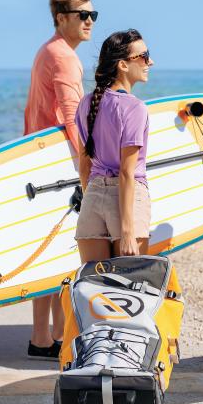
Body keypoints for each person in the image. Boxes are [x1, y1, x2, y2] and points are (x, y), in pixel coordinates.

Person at [24, 0, 96, 358]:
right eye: (82, 15)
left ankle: (46, 335)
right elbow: (72, 118)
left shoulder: (48, 51)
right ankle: (46, 336)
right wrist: (88, 166)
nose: (89, 22)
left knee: (51, 249)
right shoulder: (64, 57)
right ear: (61, 18)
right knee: (62, 251)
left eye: (92, 16)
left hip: (40, 159)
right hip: (56, 163)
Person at [74, 29, 154, 262]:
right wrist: (128, 232)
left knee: (95, 289)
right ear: (123, 65)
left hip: (93, 198)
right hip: (126, 202)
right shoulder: (134, 107)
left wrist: (93, 198)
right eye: (144, 56)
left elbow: (83, 165)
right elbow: (127, 173)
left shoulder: (86, 104)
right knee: (130, 291)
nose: (150, 61)